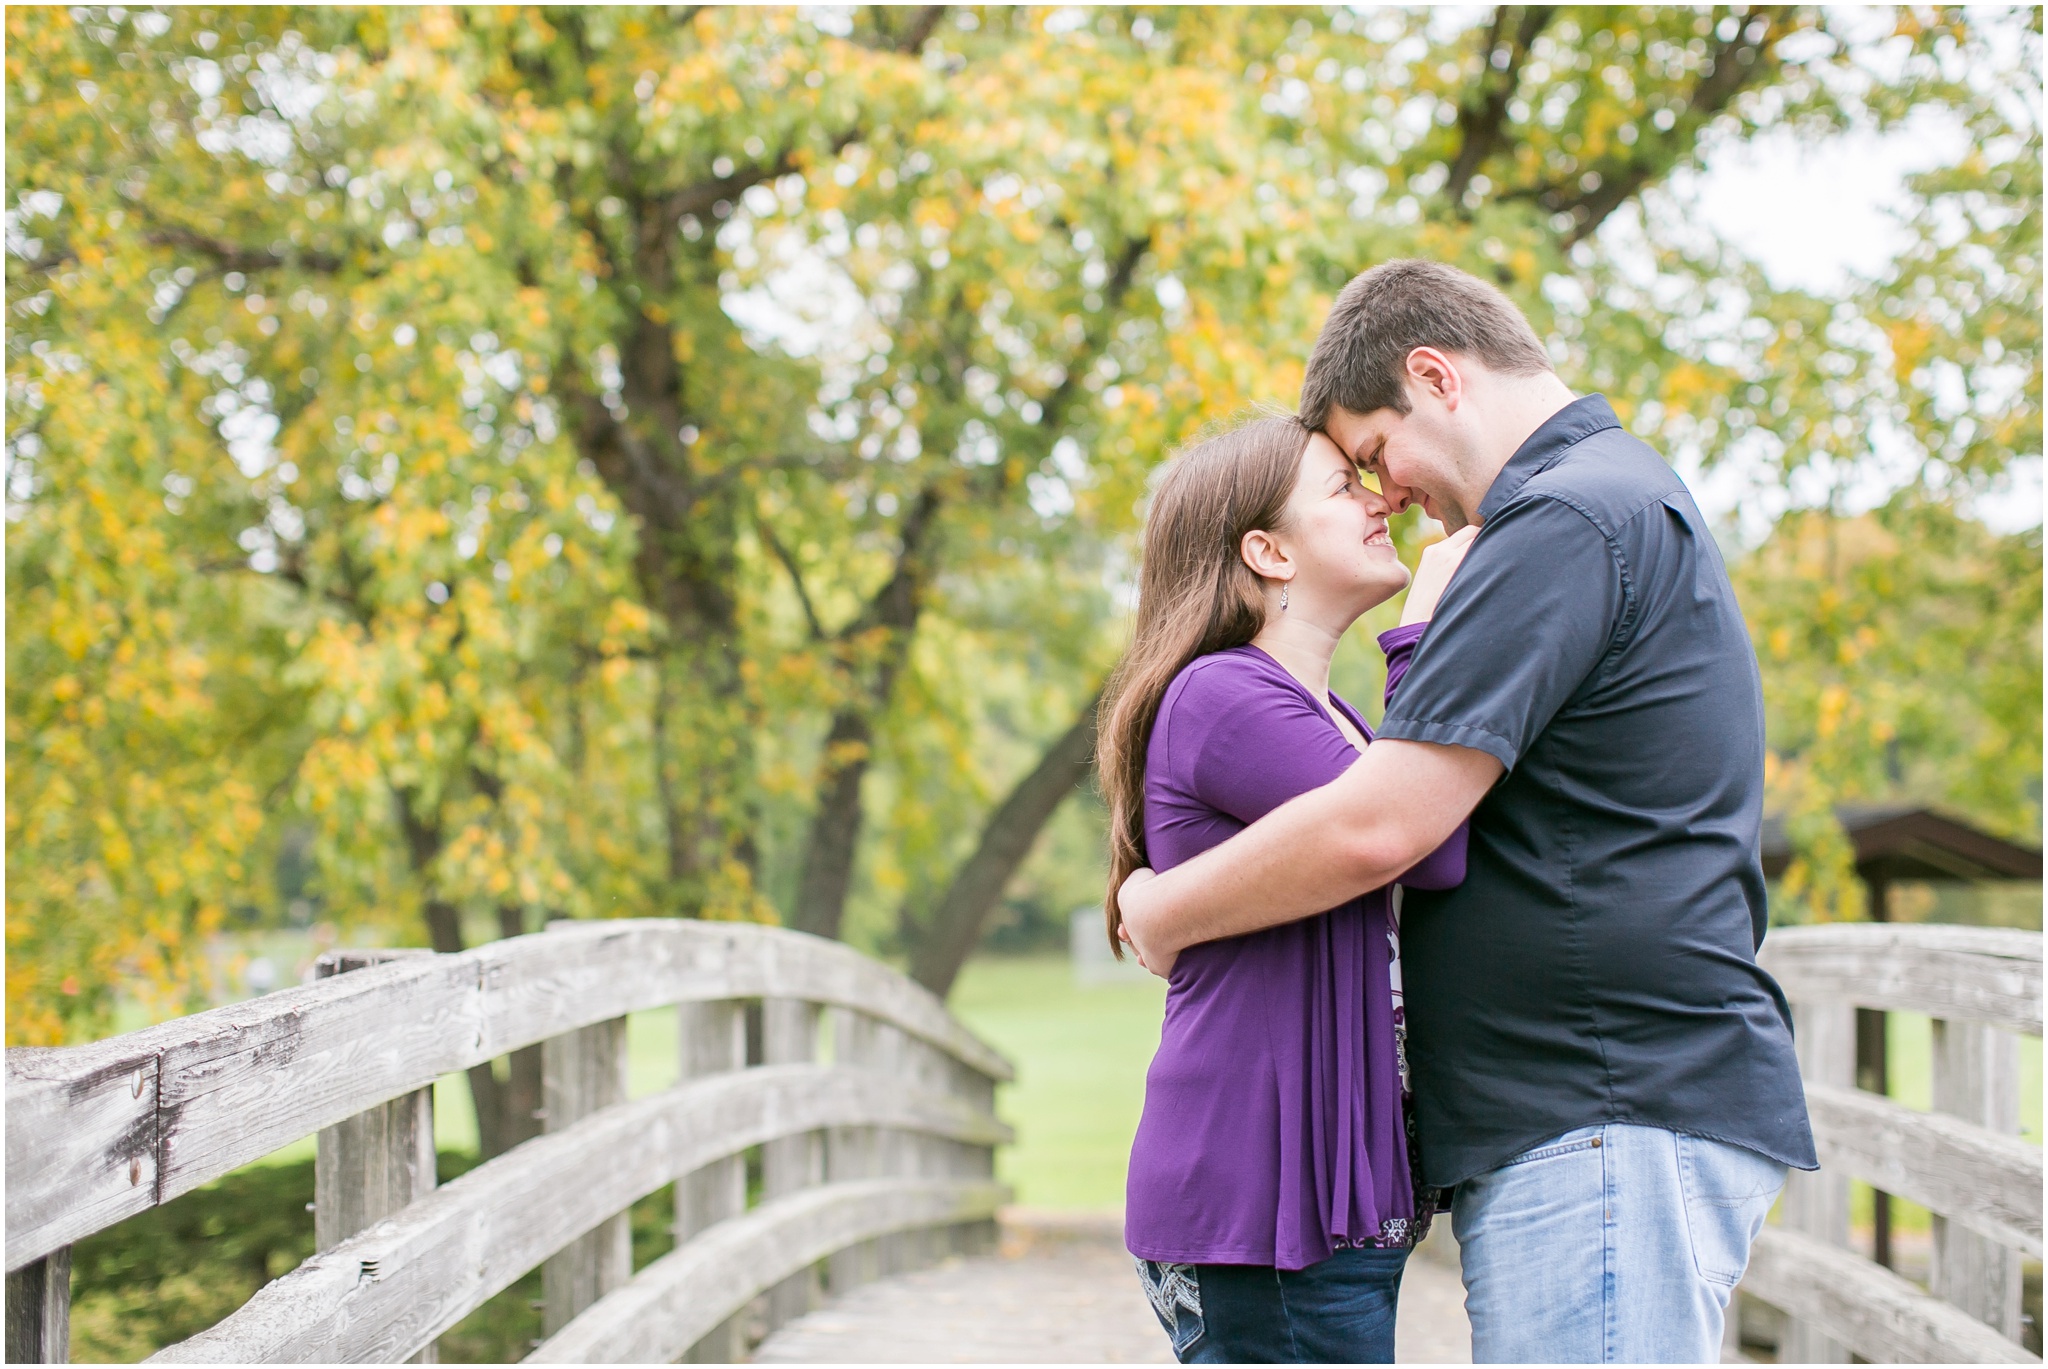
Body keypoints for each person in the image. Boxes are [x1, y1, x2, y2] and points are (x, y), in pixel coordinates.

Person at [1116, 261, 1817, 1364]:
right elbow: (1388, 822)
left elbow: (1384, 827)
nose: (1387, 492)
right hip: (1581, 1109)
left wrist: (1161, 912)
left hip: (1603, 1103)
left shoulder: (1564, 518)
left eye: (1370, 455)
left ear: (1433, 377)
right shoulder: (1591, 505)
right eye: (1350, 477)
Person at [1098, 414, 1470, 1363]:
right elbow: (1422, 846)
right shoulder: (1223, 693)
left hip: (1305, 1213)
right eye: (1345, 487)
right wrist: (1422, 632)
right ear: (1267, 550)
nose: (1380, 498)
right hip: (1263, 1209)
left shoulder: (1330, 717)